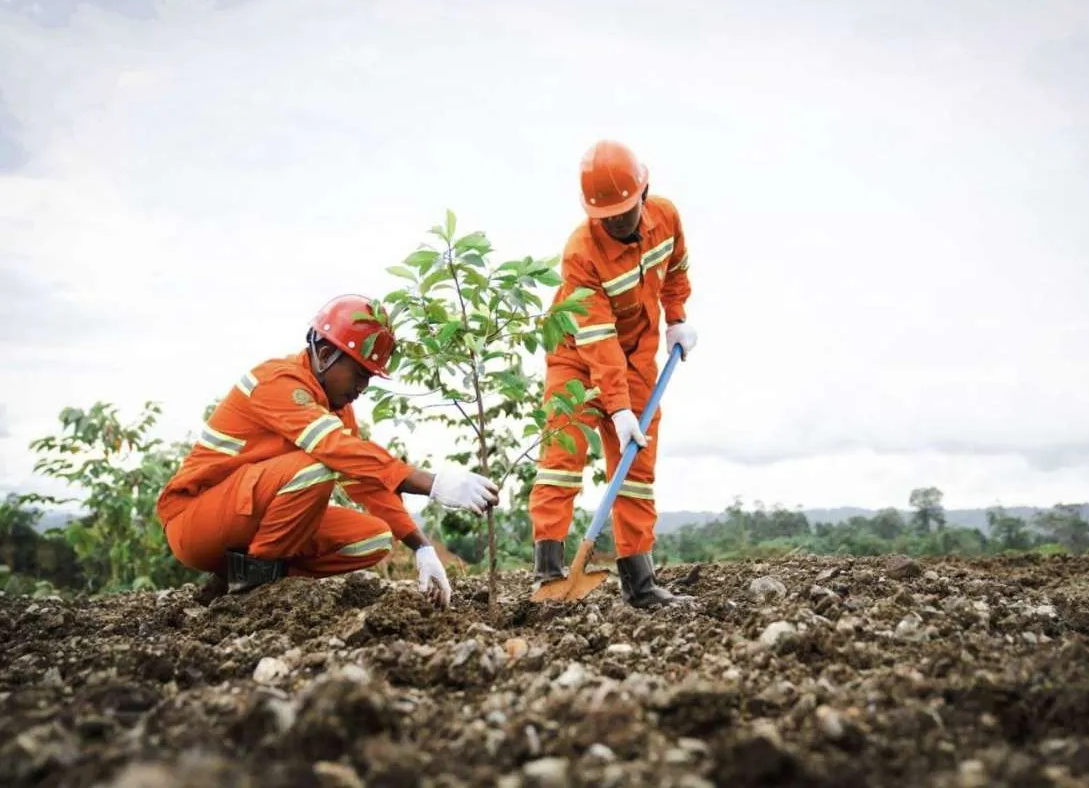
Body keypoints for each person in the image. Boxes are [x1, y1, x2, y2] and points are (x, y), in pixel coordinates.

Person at [155, 294, 498, 605]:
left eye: (371, 378)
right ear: (323, 354)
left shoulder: (336, 409)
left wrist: (421, 546)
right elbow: (334, 449)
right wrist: (431, 483)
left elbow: (364, 481)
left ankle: (241, 578)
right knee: (316, 465)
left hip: (245, 525)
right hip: (196, 522)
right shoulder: (278, 381)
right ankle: (251, 590)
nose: (363, 387)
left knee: (374, 537)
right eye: (359, 374)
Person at [528, 139, 698, 608]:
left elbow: (677, 267)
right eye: (606, 216)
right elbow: (597, 338)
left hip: (638, 355)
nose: (616, 222)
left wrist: (677, 315)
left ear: (644, 193)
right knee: (562, 458)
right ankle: (549, 575)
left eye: (624, 212)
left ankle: (640, 585)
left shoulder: (666, 217)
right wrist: (618, 408)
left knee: (637, 471)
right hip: (576, 356)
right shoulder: (580, 253)